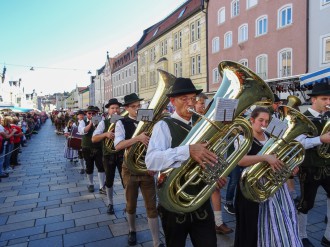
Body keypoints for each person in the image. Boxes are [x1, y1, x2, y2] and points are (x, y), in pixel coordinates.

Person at [146, 78, 226, 247]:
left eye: (193, 98)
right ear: (173, 101)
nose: (190, 103)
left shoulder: (201, 124)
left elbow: (208, 157)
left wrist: (215, 174)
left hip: (200, 201)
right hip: (173, 202)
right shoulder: (163, 125)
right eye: (184, 99)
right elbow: (151, 161)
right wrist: (187, 150)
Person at [234, 107, 302, 247]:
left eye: (267, 121)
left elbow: (279, 159)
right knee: (252, 227)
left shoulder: (271, 137)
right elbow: (240, 160)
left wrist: (290, 168)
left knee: (279, 223)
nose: (264, 124)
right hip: (251, 187)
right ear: (252, 120)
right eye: (260, 120)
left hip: (273, 188)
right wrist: (265, 157)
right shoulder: (242, 138)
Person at [114, 93, 163, 247]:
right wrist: (138, 138)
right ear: (127, 108)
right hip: (129, 169)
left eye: (138, 106)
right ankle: (132, 230)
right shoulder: (121, 123)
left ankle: (156, 241)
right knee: (131, 203)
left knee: (151, 206)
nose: (137, 109)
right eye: (133, 107)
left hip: (146, 168)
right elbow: (118, 146)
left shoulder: (148, 120)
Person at [295, 83, 330, 247]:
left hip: (328, 165)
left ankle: (328, 235)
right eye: (324, 98)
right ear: (313, 99)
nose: (327, 102)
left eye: (329, 98)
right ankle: (301, 235)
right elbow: (298, 143)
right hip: (309, 167)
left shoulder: (328, 117)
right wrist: (320, 140)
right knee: (306, 203)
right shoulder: (304, 118)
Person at [194, 92, 233, 233]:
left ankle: (218, 222)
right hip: (196, 159)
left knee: (215, 188)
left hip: (211, 156)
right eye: (200, 104)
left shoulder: (205, 118)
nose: (203, 107)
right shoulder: (192, 119)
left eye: (204, 104)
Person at [92, 98, 124, 215]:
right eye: (112, 108)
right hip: (108, 155)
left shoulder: (124, 121)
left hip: (122, 155)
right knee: (109, 181)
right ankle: (110, 203)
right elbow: (94, 138)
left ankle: (129, 204)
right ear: (108, 110)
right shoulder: (103, 123)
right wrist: (106, 134)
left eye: (117, 108)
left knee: (126, 181)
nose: (115, 110)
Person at [78, 106, 105, 193]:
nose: (91, 115)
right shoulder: (83, 121)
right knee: (89, 167)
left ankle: (102, 186)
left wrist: (97, 123)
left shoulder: (101, 120)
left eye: (93, 113)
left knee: (101, 166)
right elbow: (82, 131)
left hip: (98, 146)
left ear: (96, 113)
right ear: (86, 114)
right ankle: (90, 184)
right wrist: (90, 123)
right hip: (87, 147)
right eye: (89, 113)